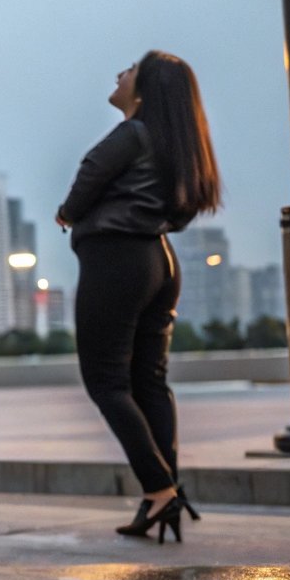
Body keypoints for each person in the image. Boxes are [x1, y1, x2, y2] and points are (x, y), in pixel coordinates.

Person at [58, 50, 221, 543]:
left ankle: (160, 489)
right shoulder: (178, 146)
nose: (118, 73)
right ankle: (163, 493)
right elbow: (185, 211)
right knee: (149, 382)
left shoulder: (132, 133)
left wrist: (68, 212)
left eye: (128, 70)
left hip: (118, 259)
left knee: (106, 381)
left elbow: (89, 176)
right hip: (159, 259)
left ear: (144, 89)